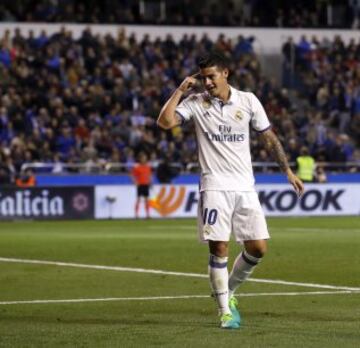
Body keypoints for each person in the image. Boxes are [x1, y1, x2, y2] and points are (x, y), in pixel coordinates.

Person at [157, 51, 304, 329]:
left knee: (258, 248)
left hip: (245, 187)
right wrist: (179, 90)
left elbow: (269, 137)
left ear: (226, 73)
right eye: (203, 78)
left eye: (211, 76)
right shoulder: (195, 103)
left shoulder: (248, 101)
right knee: (220, 247)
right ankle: (225, 311)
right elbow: (165, 122)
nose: (207, 83)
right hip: (214, 186)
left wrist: (287, 170)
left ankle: (230, 290)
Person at [131, 152, 152, 219]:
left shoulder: (148, 167)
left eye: (145, 158)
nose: (144, 159)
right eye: (143, 158)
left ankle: (148, 215)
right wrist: (135, 182)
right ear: (140, 159)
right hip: (140, 185)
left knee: (147, 200)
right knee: (138, 199)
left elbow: (149, 175)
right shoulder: (137, 167)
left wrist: (150, 182)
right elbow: (132, 175)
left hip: (146, 184)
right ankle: (136, 215)